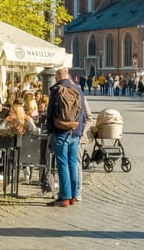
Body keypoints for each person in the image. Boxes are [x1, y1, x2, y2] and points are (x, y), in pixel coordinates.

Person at [46, 68, 88, 207]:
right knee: (73, 164)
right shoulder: (78, 90)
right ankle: (74, 196)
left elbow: (50, 113)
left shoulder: (56, 90)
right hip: (75, 132)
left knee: (62, 164)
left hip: (60, 130)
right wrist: (79, 131)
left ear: (57, 77)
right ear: (68, 76)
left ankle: (64, 196)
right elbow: (83, 114)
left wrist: (50, 131)